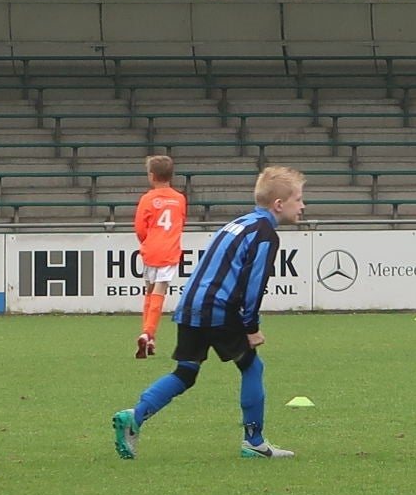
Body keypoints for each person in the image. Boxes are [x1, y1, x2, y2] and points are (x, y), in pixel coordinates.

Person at [112, 166, 307, 461]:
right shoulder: (265, 234)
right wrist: (251, 327)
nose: (302, 206)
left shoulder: (238, 223)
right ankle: (254, 441)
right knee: (252, 367)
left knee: (186, 372)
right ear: (279, 204)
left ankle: (135, 416)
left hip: (191, 304)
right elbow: (253, 285)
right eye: (298, 199)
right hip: (218, 308)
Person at [132, 155, 187, 360]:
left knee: (149, 291)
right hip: (169, 251)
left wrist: (147, 241)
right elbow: (181, 222)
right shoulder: (179, 199)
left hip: (150, 250)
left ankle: (149, 337)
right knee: (159, 292)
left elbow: (140, 228)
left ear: (152, 176)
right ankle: (148, 333)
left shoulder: (147, 199)